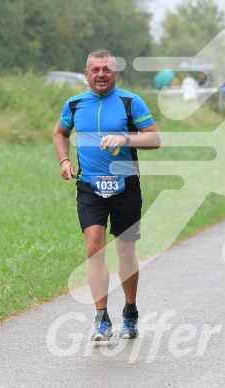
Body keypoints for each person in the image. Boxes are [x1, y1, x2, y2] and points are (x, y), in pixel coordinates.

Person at [53, 49, 161, 342]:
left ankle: (130, 310)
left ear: (115, 74)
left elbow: (154, 138)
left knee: (125, 251)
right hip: (89, 186)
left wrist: (125, 138)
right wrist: (64, 161)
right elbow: (60, 133)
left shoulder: (130, 102)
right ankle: (101, 318)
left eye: (107, 70)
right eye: (96, 69)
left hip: (125, 185)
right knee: (93, 248)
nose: (101, 74)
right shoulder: (75, 104)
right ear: (87, 74)